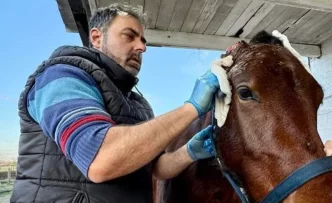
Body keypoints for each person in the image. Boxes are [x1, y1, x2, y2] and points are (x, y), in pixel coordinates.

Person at [10, 3, 218, 203]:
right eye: (129, 36)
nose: (142, 47)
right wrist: (191, 108)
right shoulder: (62, 76)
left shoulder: (139, 104)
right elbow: (100, 158)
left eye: (143, 41)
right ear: (97, 37)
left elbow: (155, 169)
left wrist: (189, 152)